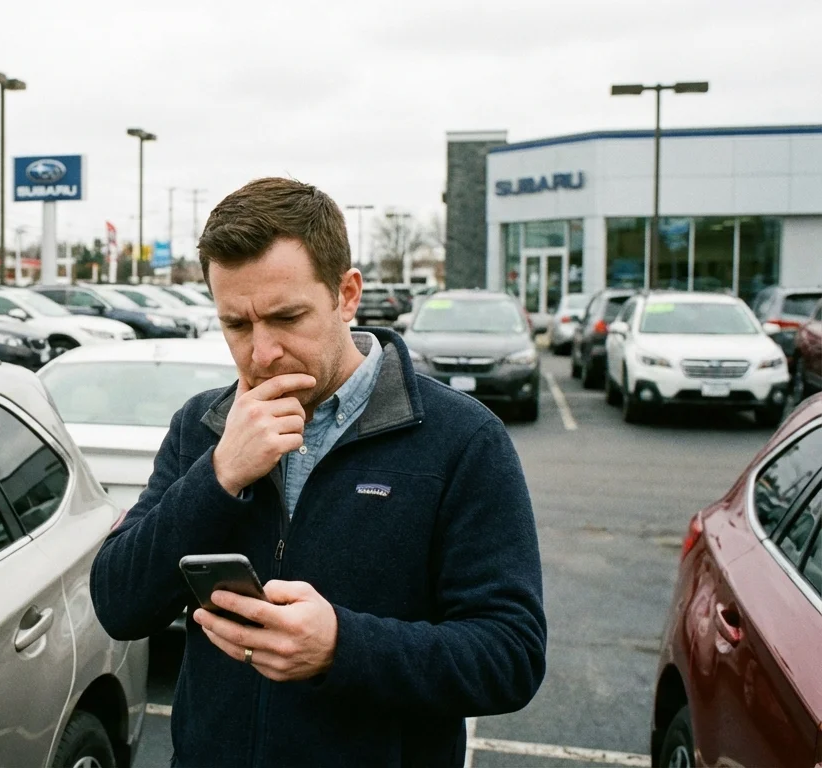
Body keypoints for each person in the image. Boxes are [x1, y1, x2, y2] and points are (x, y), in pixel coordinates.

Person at [90, 178, 547, 767]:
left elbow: (511, 655)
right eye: (237, 325)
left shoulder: (461, 440)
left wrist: (341, 647)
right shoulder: (202, 428)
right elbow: (118, 604)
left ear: (346, 294)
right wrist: (220, 475)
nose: (262, 354)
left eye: (286, 317)